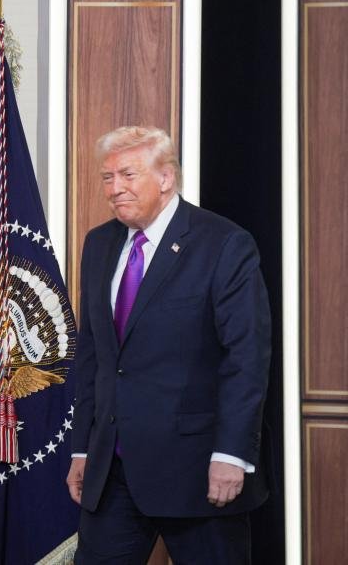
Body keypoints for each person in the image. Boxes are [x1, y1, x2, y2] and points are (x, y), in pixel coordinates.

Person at [65, 126, 270, 564]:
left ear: (166, 178)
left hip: (197, 471)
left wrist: (232, 453)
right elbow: (93, 356)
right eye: (107, 177)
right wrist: (84, 447)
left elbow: (246, 358)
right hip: (112, 470)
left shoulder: (224, 244)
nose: (114, 188)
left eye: (127, 175)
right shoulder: (99, 244)